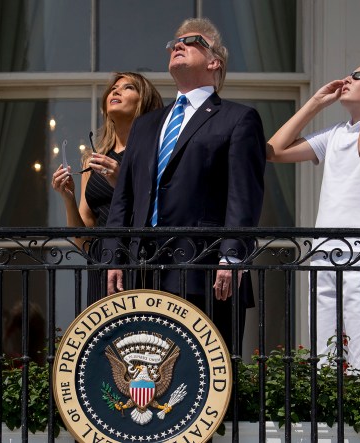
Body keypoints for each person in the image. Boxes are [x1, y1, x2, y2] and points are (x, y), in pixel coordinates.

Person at [105, 18, 266, 352]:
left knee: (209, 382)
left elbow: (243, 194)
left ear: (214, 61)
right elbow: (125, 198)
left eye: (192, 40)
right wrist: (114, 257)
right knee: (145, 374)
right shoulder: (146, 125)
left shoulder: (237, 118)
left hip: (205, 273)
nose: (177, 44)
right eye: (174, 42)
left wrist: (232, 257)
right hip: (143, 272)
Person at [266, 54, 360, 401]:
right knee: (328, 362)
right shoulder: (334, 134)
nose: (347, 78)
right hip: (325, 255)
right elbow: (274, 150)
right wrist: (315, 103)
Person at [51, 72, 163, 304]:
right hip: (101, 266)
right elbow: (84, 241)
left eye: (128, 87)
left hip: (141, 264)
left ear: (145, 102)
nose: (116, 91)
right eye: (113, 88)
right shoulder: (92, 161)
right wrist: (68, 198)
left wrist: (122, 181)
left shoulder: (156, 153)